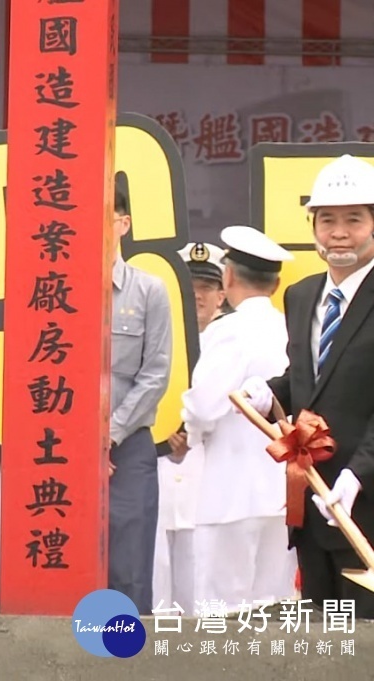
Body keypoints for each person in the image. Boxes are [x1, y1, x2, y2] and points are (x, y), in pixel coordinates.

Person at [241, 154, 374, 617]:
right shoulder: (301, 296)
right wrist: (270, 393)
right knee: (320, 642)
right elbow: (306, 382)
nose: (339, 232)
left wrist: (357, 475)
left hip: (365, 506)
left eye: (353, 220)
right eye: (328, 220)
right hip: (312, 502)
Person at [183, 226, 296, 613]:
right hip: (282, 492)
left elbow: (203, 406)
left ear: (227, 276)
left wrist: (191, 428)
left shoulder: (228, 330)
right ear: (277, 283)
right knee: (273, 607)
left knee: (221, 609)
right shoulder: (289, 328)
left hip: (230, 490)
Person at [108, 190, 173, 615]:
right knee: (60, 562)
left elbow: (156, 374)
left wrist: (108, 434)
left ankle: (123, 666)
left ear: (123, 223)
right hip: (59, 448)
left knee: (127, 568)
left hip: (127, 446)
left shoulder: (150, 291)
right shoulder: (51, 293)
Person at [152, 241, 225, 612]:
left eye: (207, 287)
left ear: (222, 294)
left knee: (204, 601)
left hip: (207, 482)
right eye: (189, 286)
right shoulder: (153, 336)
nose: (197, 295)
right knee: (155, 597)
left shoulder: (230, 342)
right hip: (155, 476)